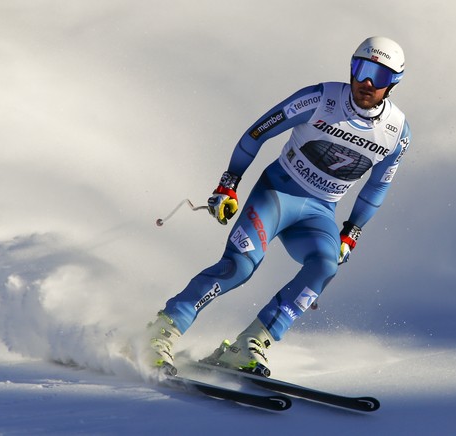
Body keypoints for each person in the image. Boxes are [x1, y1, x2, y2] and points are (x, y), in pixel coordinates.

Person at [145, 36, 411, 377]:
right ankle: (161, 330)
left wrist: (352, 233)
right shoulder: (322, 98)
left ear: (393, 85)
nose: (368, 83)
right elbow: (257, 133)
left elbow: (377, 187)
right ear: (352, 68)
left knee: (325, 266)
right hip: (276, 194)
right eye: (362, 69)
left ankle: (250, 344)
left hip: (319, 213)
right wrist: (229, 184)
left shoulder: (397, 132)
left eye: (381, 76)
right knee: (240, 267)